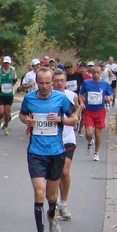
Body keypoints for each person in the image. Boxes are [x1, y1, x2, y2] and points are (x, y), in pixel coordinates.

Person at [19, 67, 78, 232]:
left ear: (53, 82)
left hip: (56, 153)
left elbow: (75, 118)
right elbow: (22, 114)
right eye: (41, 83)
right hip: (36, 152)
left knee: (52, 197)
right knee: (39, 193)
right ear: (36, 82)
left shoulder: (60, 99)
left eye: (47, 83)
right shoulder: (30, 98)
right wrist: (25, 121)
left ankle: (52, 213)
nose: (44, 86)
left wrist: (61, 119)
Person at [52, 68, 81, 221]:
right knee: (54, 173)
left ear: (65, 82)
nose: (59, 83)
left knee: (64, 172)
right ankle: (54, 201)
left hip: (68, 138)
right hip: (51, 140)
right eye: (56, 81)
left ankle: (63, 204)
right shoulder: (47, 97)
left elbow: (77, 112)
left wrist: (73, 119)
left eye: (62, 80)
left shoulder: (71, 96)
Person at [79, 62, 114, 160]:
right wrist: (81, 102)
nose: (95, 74)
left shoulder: (105, 84)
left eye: (98, 72)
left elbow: (111, 95)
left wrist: (109, 98)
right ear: (91, 72)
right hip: (89, 111)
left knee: (98, 134)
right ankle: (90, 142)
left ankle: (96, 153)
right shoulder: (87, 83)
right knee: (89, 133)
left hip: (100, 111)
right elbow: (81, 94)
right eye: (94, 72)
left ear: (101, 72)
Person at [0, 55, 18, 134]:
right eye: (5, 63)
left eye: (8, 63)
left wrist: (13, 84)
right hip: (1, 93)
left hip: (9, 94)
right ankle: (0, 120)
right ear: (3, 63)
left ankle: (6, 127)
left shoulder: (12, 70)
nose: (6, 64)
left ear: (10, 63)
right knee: (0, 112)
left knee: (6, 112)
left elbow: (15, 79)